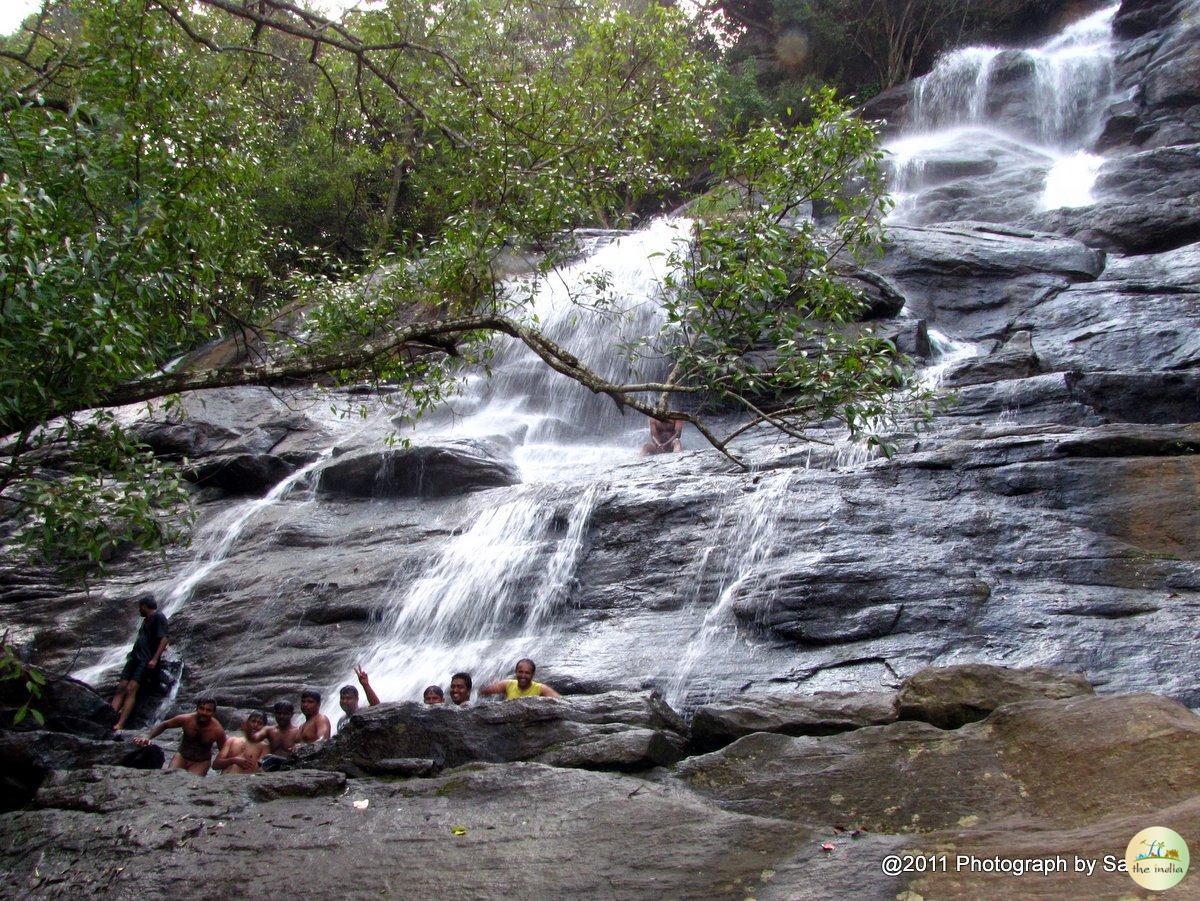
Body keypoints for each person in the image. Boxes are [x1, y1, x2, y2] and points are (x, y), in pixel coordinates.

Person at [110, 593, 169, 731]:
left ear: (144, 605)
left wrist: (154, 659)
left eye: (140, 607)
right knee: (121, 687)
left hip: (145, 660)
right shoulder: (146, 620)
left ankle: (120, 724)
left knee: (131, 689)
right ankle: (109, 718)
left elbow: (164, 638)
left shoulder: (158, 617)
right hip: (134, 658)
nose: (139, 610)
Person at [133, 697, 226, 776]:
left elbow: (224, 750)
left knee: (190, 785)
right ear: (196, 709)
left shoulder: (217, 730)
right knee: (169, 778)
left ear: (213, 713)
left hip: (201, 762)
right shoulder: (186, 719)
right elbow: (164, 725)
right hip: (182, 756)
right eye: (201, 708)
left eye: (208, 710)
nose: (204, 712)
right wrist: (147, 736)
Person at [480, 659, 560, 700]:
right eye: (520, 672)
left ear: (533, 674)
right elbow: (483, 691)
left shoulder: (541, 688)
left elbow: (561, 701)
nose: (523, 676)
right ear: (516, 672)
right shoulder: (507, 684)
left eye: (527, 673)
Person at [336, 665, 382, 732]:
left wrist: (366, 685)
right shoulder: (341, 721)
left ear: (356, 699)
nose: (344, 701)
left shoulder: (363, 712)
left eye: (348, 698)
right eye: (342, 698)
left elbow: (376, 705)